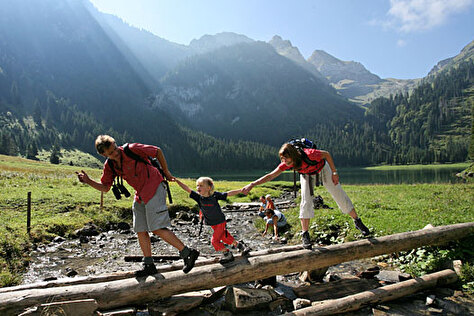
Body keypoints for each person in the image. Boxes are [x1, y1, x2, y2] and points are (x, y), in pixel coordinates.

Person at [76, 135, 199, 276]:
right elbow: (105, 187)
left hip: (155, 187)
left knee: (157, 228)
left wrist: (166, 171)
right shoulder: (109, 166)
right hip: (140, 194)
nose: (115, 153)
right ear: (103, 154)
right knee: (140, 228)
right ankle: (149, 264)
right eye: (110, 153)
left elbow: (157, 151)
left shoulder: (132, 149)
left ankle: (188, 253)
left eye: (115, 149)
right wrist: (88, 181)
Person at [242, 141, 370, 250]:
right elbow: (270, 176)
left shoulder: (310, 154)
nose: (283, 161)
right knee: (305, 200)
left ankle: (357, 221)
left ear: (292, 155)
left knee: (338, 194)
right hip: (306, 175)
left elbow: (326, 155)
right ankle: (305, 234)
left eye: (285, 158)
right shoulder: (286, 164)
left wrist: (334, 172)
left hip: (322, 169)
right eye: (282, 158)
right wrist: (252, 184)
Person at [174, 177, 251, 263]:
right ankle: (241, 246)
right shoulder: (198, 197)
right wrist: (177, 181)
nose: (198, 188)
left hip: (220, 221)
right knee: (224, 237)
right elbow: (187, 189)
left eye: (201, 186)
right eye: (197, 186)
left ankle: (227, 254)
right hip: (212, 223)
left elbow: (228, 193)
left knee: (214, 241)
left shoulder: (214, 195)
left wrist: (240, 190)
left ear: (209, 188)